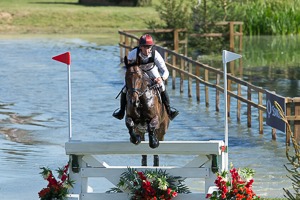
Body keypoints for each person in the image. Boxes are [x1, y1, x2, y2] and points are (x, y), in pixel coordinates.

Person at [112, 34, 179, 121]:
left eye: (149, 47)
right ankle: (121, 112)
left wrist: (161, 78)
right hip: (137, 73)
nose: (147, 49)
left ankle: (169, 110)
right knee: (124, 88)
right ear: (140, 47)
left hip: (151, 71)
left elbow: (166, 71)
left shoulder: (156, 54)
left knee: (162, 86)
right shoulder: (133, 54)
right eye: (145, 47)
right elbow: (128, 68)